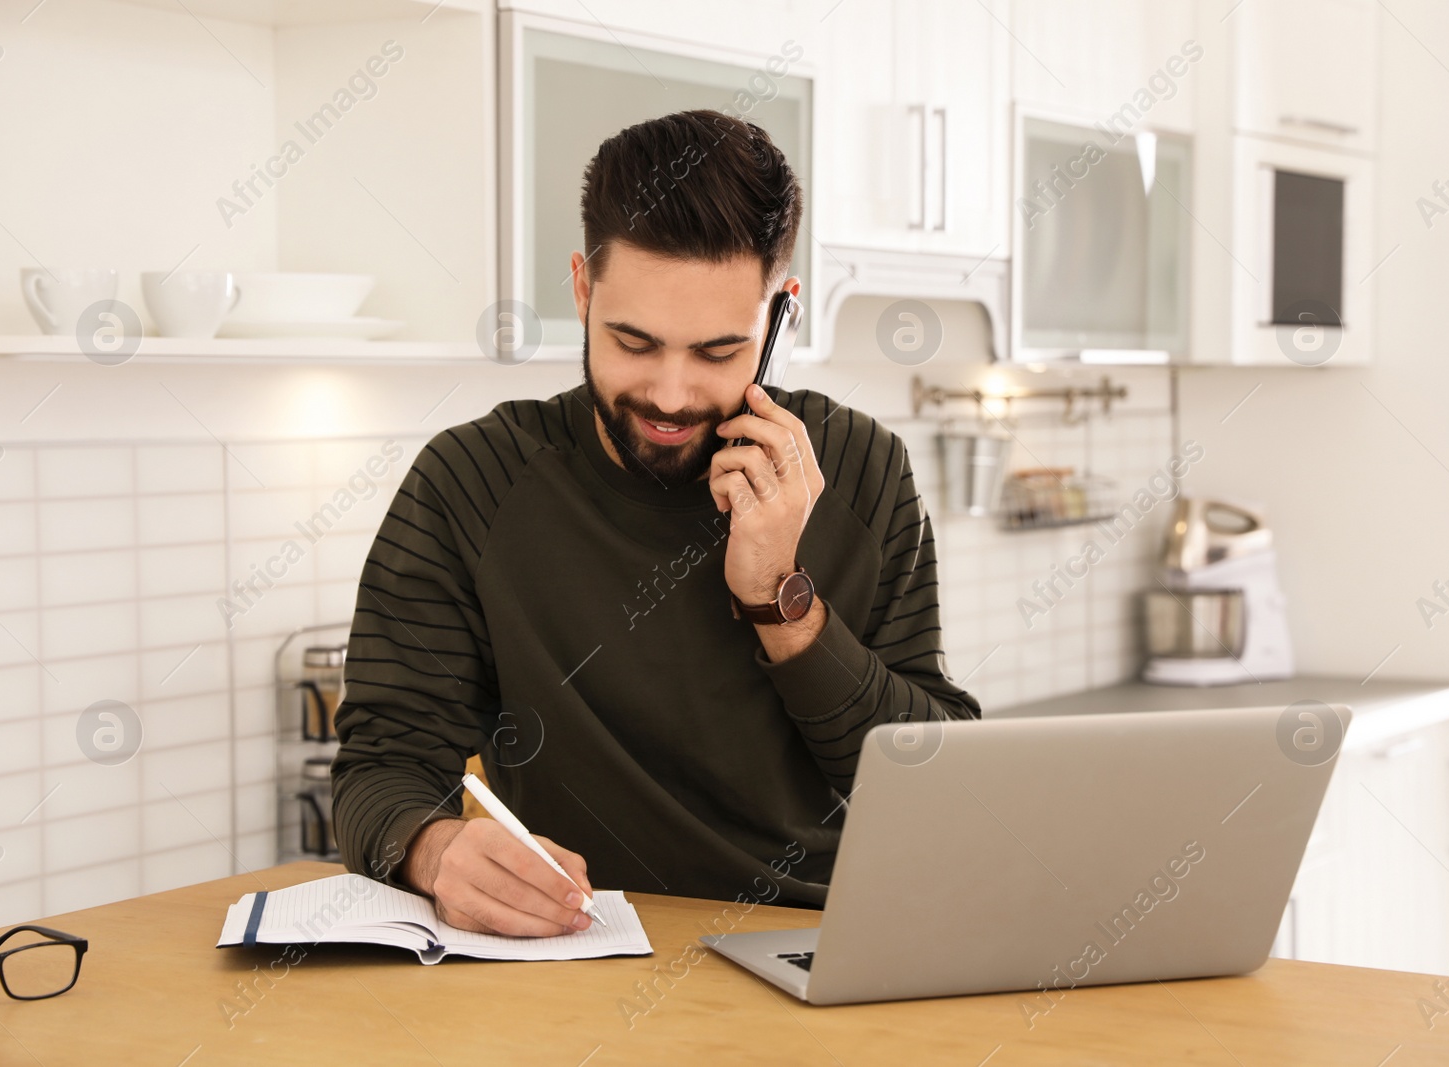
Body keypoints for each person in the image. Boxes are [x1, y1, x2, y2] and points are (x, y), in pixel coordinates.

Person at [330, 109, 980, 938]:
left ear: (781, 314)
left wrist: (782, 601)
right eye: (633, 342)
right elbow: (378, 770)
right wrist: (434, 847)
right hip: (576, 959)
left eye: (716, 352)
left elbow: (942, 788)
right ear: (581, 288)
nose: (670, 395)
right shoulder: (470, 482)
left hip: (824, 952)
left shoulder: (859, 469)